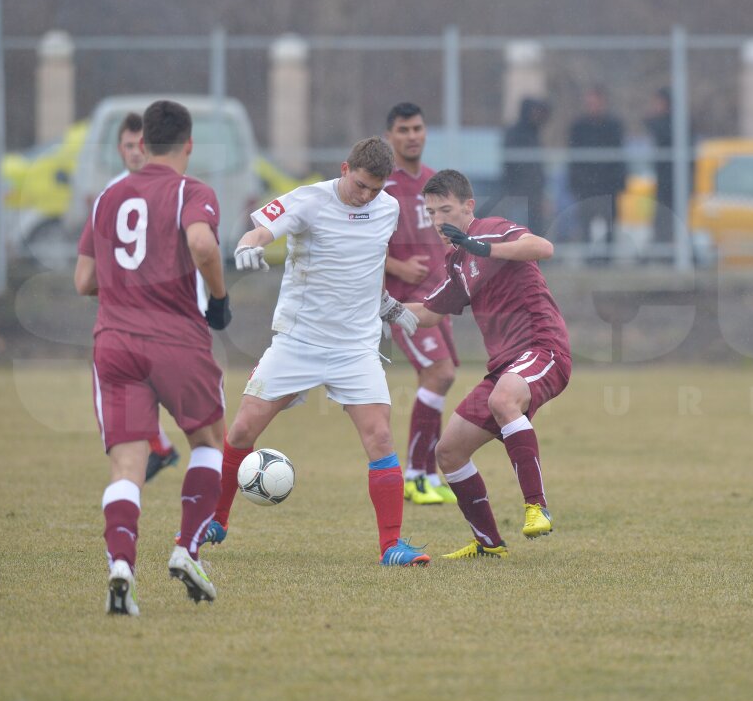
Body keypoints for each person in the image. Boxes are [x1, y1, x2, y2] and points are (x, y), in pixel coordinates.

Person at [210, 137, 429, 567]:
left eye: (375, 188)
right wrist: (249, 243)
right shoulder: (309, 199)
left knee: (380, 437)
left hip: (355, 347)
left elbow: (364, 268)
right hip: (299, 341)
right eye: (361, 185)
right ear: (345, 169)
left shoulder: (388, 208)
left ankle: (392, 546)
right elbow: (262, 228)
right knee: (240, 431)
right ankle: (215, 520)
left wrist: (388, 307)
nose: (366, 196)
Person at [74, 99, 234, 616]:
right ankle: (187, 549)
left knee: (127, 464)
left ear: (140, 144)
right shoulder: (192, 190)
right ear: (188, 145)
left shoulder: (107, 198)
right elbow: (202, 245)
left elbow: (84, 281)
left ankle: (121, 566)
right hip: (177, 339)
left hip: (114, 343)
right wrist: (221, 299)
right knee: (209, 441)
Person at [405, 169, 572, 560]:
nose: (438, 222)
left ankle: (537, 507)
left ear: (468, 206)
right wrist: (380, 309)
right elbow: (429, 313)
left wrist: (482, 247)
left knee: (503, 400)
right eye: (431, 214)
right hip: (504, 367)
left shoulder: (492, 230)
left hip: (542, 349)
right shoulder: (457, 260)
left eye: (445, 210)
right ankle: (489, 543)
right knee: (448, 452)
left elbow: (542, 247)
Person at [382, 102, 459, 507]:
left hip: (437, 297)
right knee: (439, 374)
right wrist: (396, 264)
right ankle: (414, 475)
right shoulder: (381, 186)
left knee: (442, 377)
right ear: (390, 136)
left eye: (417, 128)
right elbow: (358, 242)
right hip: (402, 302)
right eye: (403, 129)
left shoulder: (433, 183)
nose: (412, 136)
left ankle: (427, 474)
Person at [106, 112, 182, 483]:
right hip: (123, 313)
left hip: (163, 314)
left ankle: (171, 450)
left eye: (140, 145)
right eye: (127, 146)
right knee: (134, 388)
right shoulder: (112, 193)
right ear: (119, 149)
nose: (135, 152)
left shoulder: (168, 189)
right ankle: (163, 448)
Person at [567, 85, 625, 261]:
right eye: (589, 102)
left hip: (608, 185)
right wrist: (576, 182)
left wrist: (619, 182)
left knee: (609, 224)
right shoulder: (578, 127)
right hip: (586, 185)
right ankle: (588, 259)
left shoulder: (614, 126)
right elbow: (573, 157)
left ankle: (607, 259)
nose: (592, 106)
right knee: (585, 224)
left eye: (595, 102)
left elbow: (619, 156)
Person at [502, 97, 551, 236]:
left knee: (535, 233)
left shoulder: (534, 134)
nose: (537, 116)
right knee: (517, 233)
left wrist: (540, 192)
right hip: (518, 193)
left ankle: (533, 258)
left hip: (534, 194)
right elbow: (512, 167)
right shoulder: (515, 133)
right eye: (535, 111)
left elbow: (538, 168)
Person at [643, 87, 675, 247]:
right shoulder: (662, 122)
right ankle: (661, 249)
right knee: (661, 218)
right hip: (663, 180)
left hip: (674, 180)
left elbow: (661, 131)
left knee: (670, 218)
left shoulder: (674, 122)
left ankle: (668, 251)